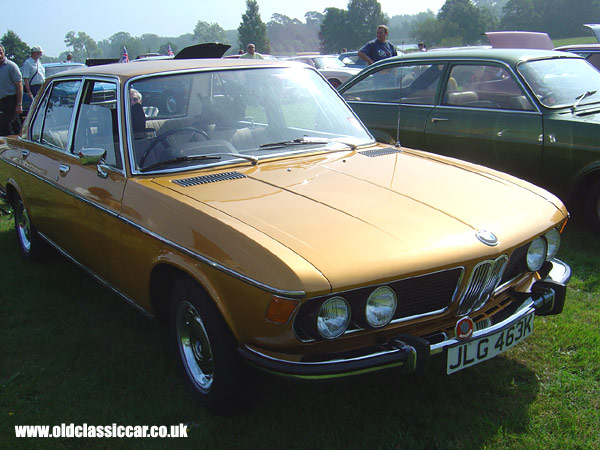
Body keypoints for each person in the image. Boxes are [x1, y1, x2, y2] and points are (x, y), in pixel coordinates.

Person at [0, 44, 24, 136]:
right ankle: (20, 142)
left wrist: (19, 104)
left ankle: (8, 147)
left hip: (11, 100)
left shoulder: (11, 66)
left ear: (3, 53)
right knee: (16, 125)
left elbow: (19, 85)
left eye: (0, 53)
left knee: (5, 126)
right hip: (1, 101)